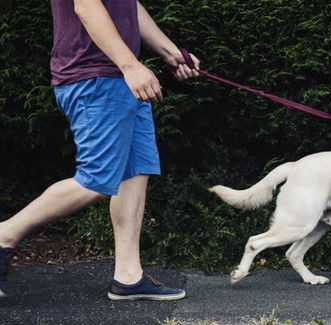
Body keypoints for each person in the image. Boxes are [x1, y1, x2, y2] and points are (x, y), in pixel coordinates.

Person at [0, 0, 200, 300]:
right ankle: (4, 234)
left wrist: (170, 51)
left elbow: (128, 5)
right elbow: (87, 7)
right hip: (95, 77)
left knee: (135, 171)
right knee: (95, 179)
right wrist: (131, 65)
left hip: (121, 79)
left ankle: (128, 277)